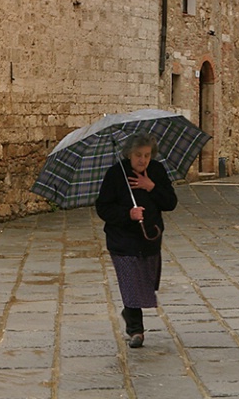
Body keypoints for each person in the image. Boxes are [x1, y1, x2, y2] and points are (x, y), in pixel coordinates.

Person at [95, 132, 178, 348]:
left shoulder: (157, 171)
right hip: (122, 240)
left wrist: (151, 187)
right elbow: (103, 207)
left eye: (147, 155)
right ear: (129, 154)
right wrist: (128, 214)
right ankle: (136, 331)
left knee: (146, 282)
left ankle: (129, 311)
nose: (143, 160)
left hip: (150, 239)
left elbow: (170, 202)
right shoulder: (116, 174)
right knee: (131, 283)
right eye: (138, 155)